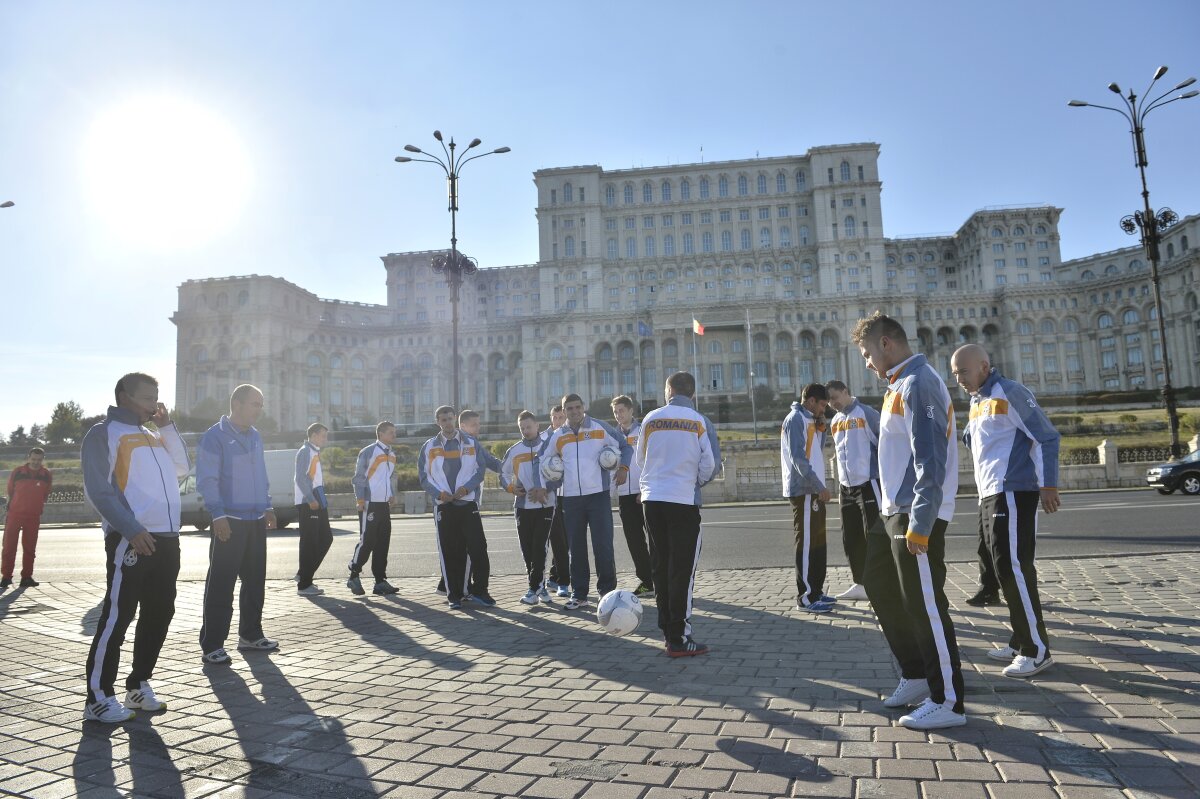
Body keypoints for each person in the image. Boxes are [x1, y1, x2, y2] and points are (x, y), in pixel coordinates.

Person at [852, 311, 966, 730]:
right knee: (878, 583)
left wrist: (920, 522)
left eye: (867, 354)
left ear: (886, 343)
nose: (867, 363)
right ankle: (916, 673)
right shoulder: (899, 385)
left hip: (915, 512)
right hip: (892, 511)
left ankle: (948, 700)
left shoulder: (919, 383)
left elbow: (930, 458)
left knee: (924, 605)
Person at [81, 372, 190, 722]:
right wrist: (131, 529)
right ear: (124, 397)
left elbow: (183, 468)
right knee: (118, 616)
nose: (154, 404)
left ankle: (138, 685)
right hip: (131, 539)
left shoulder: (154, 435)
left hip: (167, 539)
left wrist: (168, 427)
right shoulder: (103, 434)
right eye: (147, 398)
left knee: (160, 613)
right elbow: (98, 491)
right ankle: (98, 697)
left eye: (157, 397)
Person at [953, 344, 1060, 678]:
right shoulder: (977, 402)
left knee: (1014, 568)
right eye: (955, 374)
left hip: (1012, 491)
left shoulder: (1010, 392)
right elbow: (975, 440)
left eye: (963, 372)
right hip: (990, 493)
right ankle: (1020, 640)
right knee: (1001, 568)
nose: (958, 379)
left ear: (984, 366)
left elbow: (1046, 438)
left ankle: (1036, 651)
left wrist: (1049, 485)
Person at [639, 372, 721, 657]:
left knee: (660, 566)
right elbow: (711, 465)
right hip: (682, 500)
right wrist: (693, 481)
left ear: (669, 391)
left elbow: (640, 459)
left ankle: (666, 629)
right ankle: (679, 637)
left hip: (652, 500)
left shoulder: (651, 419)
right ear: (692, 393)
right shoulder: (699, 421)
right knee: (682, 570)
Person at [197, 385, 279, 665]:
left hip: (255, 520)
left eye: (261, 405)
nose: (259, 410)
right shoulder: (214, 436)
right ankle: (212, 645)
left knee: (255, 582)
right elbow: (207, 479)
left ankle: (250, 635)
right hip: (229, 520)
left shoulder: (255, 436)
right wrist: (217, 514)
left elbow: (261, 473)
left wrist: (267, 505)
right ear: (237, 403)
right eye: (255, 404)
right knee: (221, 584)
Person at [531, 393, 632, 611]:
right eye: (569, 408)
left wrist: (623, 468)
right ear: (564, 411)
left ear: (583, 407)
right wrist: (541, 486)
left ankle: (607, 594)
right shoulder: (558, 435)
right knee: (576, 549)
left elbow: (625, 446)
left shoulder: (599, 427)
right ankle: (579, 594)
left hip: (598, 496)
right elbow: (540, 459)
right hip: (571, 499)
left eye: (577, 407)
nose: (574, 411)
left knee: (603, 546)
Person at [418, 406, 491, 609]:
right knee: (449, 551)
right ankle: (454, 595)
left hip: (467, 503)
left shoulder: (471, 443)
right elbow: (424, 477)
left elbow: (480, 471)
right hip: (444, 505)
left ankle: (481, 591)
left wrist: (465, 489)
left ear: (455, 419)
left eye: (450, 418)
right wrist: (439, 494)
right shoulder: (428, 447)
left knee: (478, 548)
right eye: (443, 420)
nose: (448, 423)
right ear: (438, 422)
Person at [430, 409, 500, 597]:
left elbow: (488, 464)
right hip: (457, 502)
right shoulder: (465, 443)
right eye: (474, 424)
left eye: (479, 423)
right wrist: (513, 466)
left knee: (458, 547)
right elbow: (492, 463)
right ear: (462, 425)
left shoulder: (470, 443)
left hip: (463, 500)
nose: (479, 427)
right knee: (465, 548)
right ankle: (460, 588)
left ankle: (448, 586)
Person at [826, 380, 881, 602]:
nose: (832, 403)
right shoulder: (836, 421)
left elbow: (884, 445)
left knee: (873, 536)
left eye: (834, 397)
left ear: (845, 391)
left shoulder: (866, 413)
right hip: (846, 487)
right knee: (850, 538)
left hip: (868, 483)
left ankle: (880, 583)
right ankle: (861, 584)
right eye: (828, 401)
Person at [782, 383, 834, 613]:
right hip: (804, 490)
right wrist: (818, 485)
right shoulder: (795, 419)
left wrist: (822, 428)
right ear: (811, 401)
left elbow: (816, 453)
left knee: (818, 542)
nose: (824, 409)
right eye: (822, 405)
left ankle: (816, 591)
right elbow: (798, 459)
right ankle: (805, 598)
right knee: (806, 545)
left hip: (813, 489)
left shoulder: (810, 419)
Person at [501, 411, 556, 604]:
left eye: (529, 427)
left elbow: (561, 473)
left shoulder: (549, 446)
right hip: (522, 507)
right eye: (522, 428)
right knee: (527, 550)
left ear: (537, 426)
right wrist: (511, 488)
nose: (526, 431)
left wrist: (546, 489)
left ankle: (533, 590)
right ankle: (540, 587)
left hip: (546, 505)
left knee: (539, 547)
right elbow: (503, 474)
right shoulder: (514, 450)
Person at [347, 421, 399, 596]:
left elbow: (389, 477)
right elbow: (359, 477)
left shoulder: (392, 454)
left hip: (383, 504)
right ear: (381, 434)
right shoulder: (368, 452)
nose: (394, 435)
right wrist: (360, 499)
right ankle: (353, 575)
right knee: (367, 541)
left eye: (394, 432)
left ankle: (380, 581)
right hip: (369, 503)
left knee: (383, 542)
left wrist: (391, 494)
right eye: (391, 432)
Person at [611, 395, 654, 599]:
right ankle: (647, 582)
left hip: (645, 494)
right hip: (624, 496)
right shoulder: (611, 435)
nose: (618, 415)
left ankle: (662, 579)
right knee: (635, 542)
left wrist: (644, 489)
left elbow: (651, 461)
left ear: (630, 411)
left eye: (621, 410)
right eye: (615, 412)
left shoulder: (644, 430)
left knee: (655, 540)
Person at [2, 447, 52, 589]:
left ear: (42, 460)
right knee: (9, 547)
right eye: (33, 459)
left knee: (30, 548)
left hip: (33, 517)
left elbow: (46, 493)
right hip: (15, 515)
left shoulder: (46, 475)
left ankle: (26, 577)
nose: (36, 462)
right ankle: (6, 577)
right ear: (28, 458)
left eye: (39, 460)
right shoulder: (18, 472)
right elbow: (10, 490)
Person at [294, 423, 332, 597]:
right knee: (309, 543)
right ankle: (304, 585)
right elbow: (300, 478)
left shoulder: (314, 451)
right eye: (323, 435)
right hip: (309, 502)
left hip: (317, 501)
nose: (325, 439)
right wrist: (310, 499)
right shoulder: (305, 451)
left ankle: (304, 573)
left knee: (326, 539)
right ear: (314, 435)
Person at [542, 404, 571, 597]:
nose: (558, 421)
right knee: (552, 539)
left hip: (568, 493)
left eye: (561, 417)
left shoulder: (570, 435)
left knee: (565, 539)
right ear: (551, 418)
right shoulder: (543, 438)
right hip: (549, 495)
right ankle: (547, 579)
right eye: (555, 417)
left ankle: (558, 579)